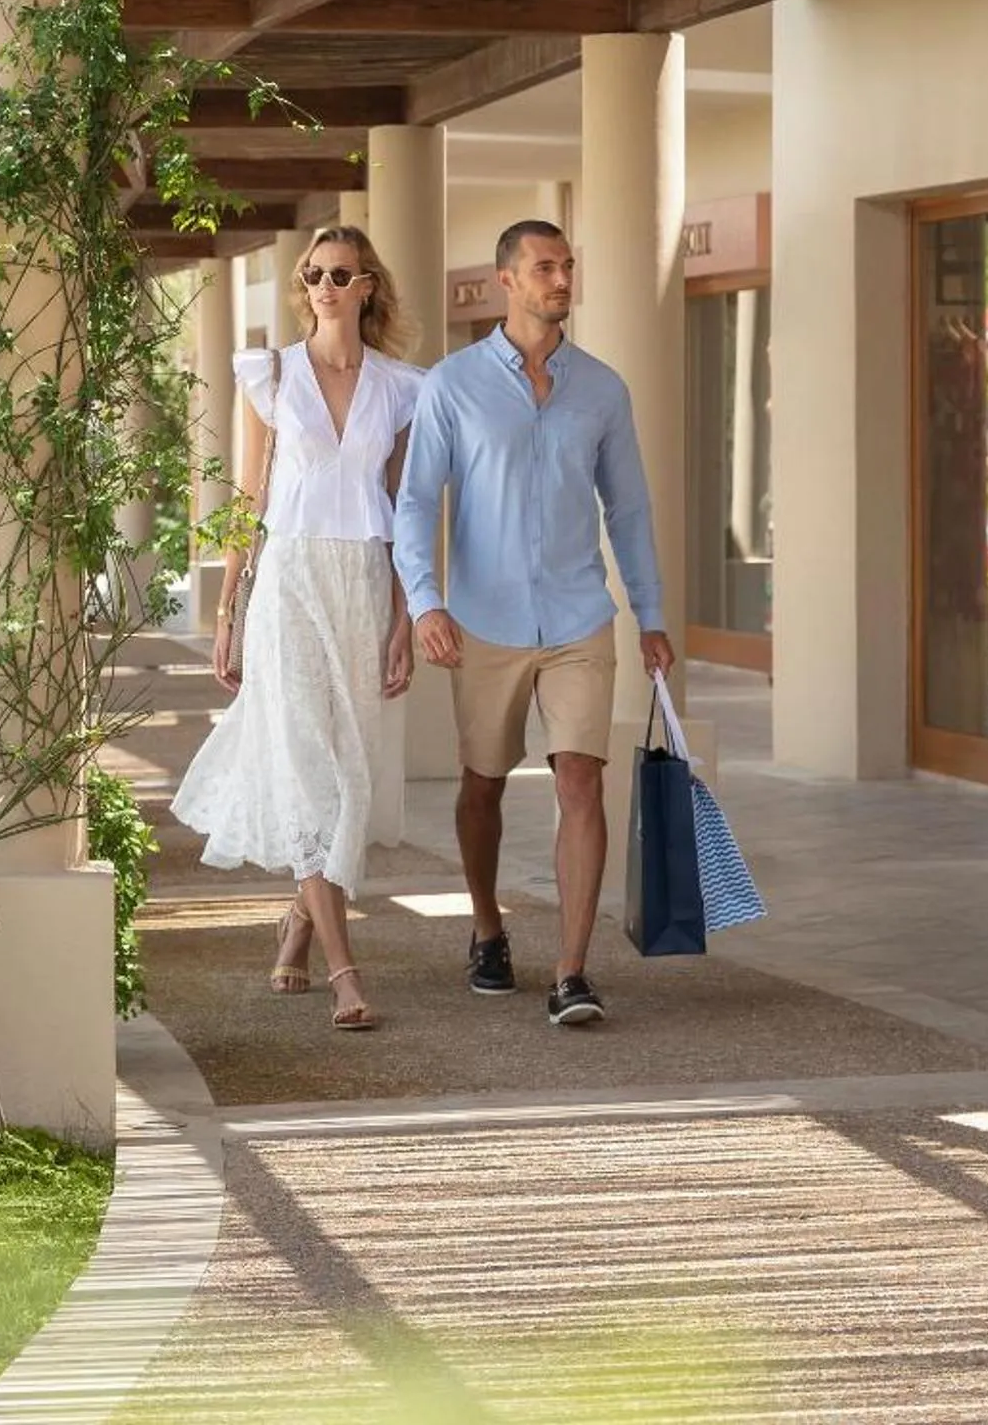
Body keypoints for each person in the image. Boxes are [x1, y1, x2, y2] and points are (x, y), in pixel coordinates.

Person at [395, 220, 674, 1028]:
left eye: (568, 266)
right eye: (544, 267)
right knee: (482, 783)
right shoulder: (452, 384)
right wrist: (426, 601)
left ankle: (572, 970)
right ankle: (487, 926)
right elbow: (416, 501)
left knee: (580, 776)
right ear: (506, 281)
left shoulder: (602, 388)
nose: (561, 279)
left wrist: (650, 614)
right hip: (484, 619)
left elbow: (629, 508)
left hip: (579, 616)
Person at [171, 227, 422, 1032]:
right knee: (308, 764)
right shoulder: (272, 373)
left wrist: (408, 617)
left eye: (339, 275)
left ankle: (298, 923)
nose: (322, 286)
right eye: (312, 274)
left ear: (368, 286)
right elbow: (248, 502)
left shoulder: (401, 389)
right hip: (289, 582)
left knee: (351, 772)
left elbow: (407, 513)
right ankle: (348, 973)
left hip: (362, 586)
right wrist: (227, 609)